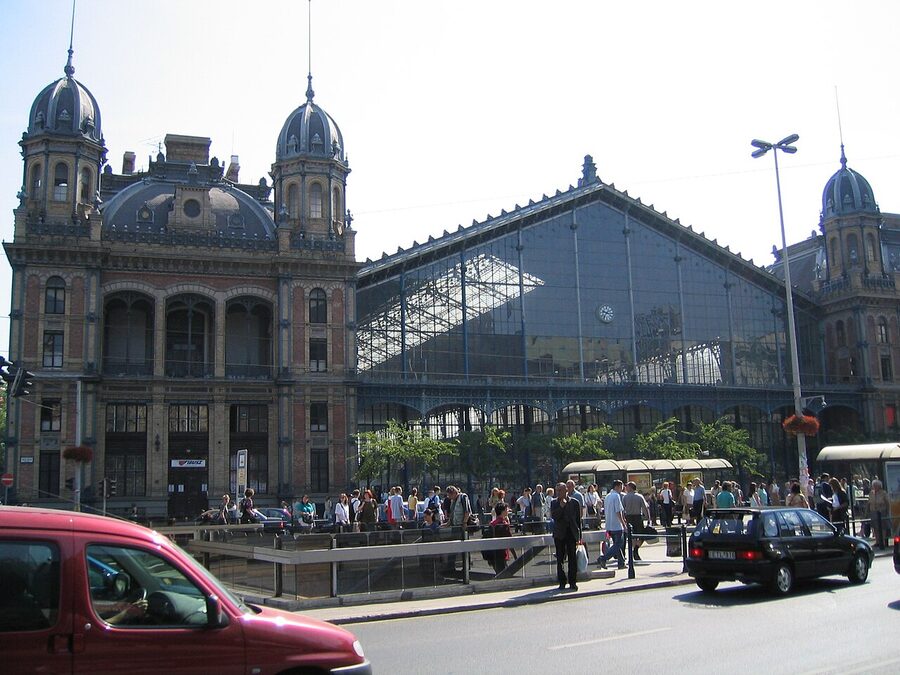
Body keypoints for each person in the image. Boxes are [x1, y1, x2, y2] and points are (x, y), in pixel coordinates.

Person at [551, 481, 582, 590]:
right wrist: (561, 506)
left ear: (566, 491)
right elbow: (554, 516)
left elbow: (578, 521)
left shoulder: (574, 503)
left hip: (571, 533)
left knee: (572, 559)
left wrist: (579, 537)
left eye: (560, 490)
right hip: (559, 534)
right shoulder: (554, 503)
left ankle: (572, 582)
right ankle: (562, 582)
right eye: (557, 491)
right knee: (560, 559)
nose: (558, 493)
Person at [598, 479, 627, 570]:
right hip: (617, 525)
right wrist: (623, 524)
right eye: (621, 487)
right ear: (617, 486)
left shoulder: (607, 496)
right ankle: (603, 558)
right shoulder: (616, 496)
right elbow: (618, 511)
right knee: (618, 544)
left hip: (609, 525)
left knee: (615, 544)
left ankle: (621, 562)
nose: (622, 489)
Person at [622, 481, 650, 560]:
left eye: (627, 486)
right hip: (638, 517)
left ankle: (633, 550)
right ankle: (636, 550)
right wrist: (648, 518)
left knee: (632, 536)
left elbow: (622, 509)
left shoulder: (625, 497)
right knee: (641, 535)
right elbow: (645, 508)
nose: (626, 488)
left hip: (628, 517)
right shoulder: (639, 496)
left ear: (631, 487)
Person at [486, 502, 513, 575]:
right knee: (504, 574)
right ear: (503, 511)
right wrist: (515, 555)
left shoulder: (492, 524)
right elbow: (510, 539)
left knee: (499, 572)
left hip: (493, 553)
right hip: (502, 553)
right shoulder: (504, 524)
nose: (508, 511)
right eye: (507, 510)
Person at [868, 480, 891, 549]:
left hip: (881, 512)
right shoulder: (871, 493)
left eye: (876, 485)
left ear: (879, 486)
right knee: (875, 527)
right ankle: (877, 541)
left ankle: (882, 541)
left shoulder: (883, 493)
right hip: (873, 511)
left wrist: (887, 511)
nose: (874, 487)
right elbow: (869, 502)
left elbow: (887, 503)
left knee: (882, 527)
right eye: (873, 485)